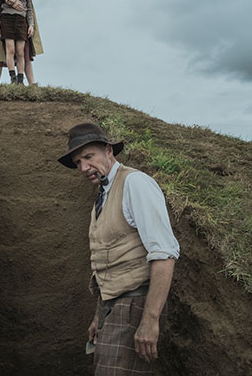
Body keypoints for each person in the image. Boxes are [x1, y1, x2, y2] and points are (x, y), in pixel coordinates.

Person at [57, 123, 179, 375]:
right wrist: (99, 316)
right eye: (78, 162)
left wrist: (150, 319)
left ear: (109, 150)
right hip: (115, 307)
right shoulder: (103, 194)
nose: (83, 168)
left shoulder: (134, 183)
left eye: (89, 157)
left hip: (135, 304)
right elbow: (111, 262)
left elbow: (165, 254)